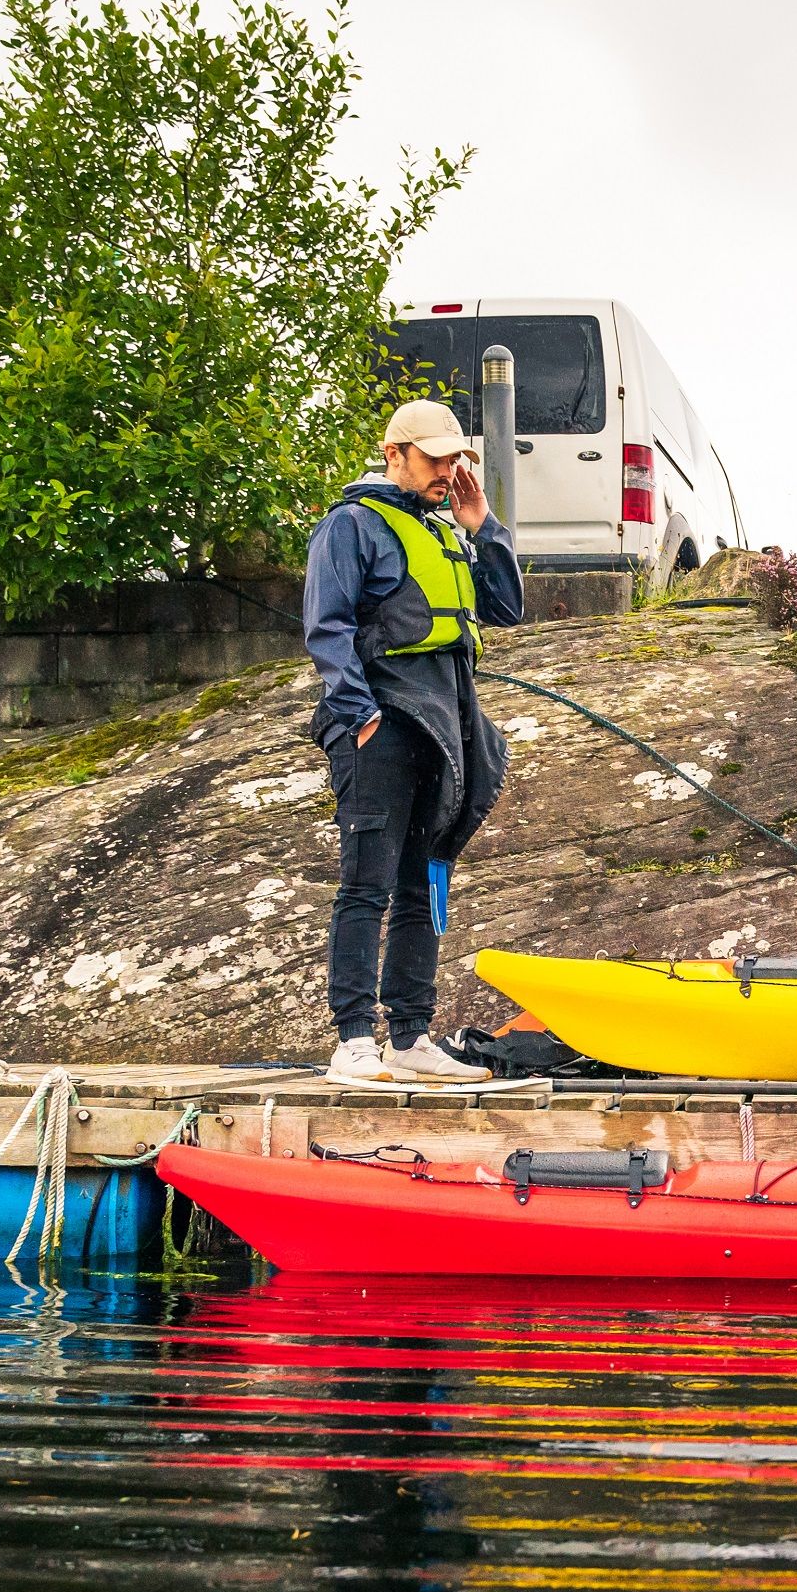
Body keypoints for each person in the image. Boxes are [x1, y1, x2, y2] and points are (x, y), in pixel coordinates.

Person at [303, 398, 527, 1086]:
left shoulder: (447, 529)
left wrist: (483, 526)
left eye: (455, 457)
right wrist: (360, 715)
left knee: (425, 880)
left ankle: (409, 1035)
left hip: (445, 732)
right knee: (365, 884)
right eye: (434, 458)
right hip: (381, 726)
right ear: (394, 454)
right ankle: (352, 1041)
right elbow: (326, 627)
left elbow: (505, 608)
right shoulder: (351, 526)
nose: (448, 469)